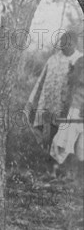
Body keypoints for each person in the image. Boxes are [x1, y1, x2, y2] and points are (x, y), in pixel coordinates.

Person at [25, 31, 81, 175]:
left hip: (71, 106)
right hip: (50, 104)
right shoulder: (53, 59)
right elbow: (41, 81)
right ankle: (49, 170)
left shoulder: (79, 60)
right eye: (62, 43)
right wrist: (31, 101)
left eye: (68, 43)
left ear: (75, 43)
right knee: (50, 136)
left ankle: (67, 171)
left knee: (67, 139)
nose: (64, 46)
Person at [50, 54, 84, 177]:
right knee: (63, 141)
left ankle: (75, 175)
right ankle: (56, 171)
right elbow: (72, 82)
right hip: (75, 106)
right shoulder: (80, 61)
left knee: (80, 146)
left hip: (79, 108)